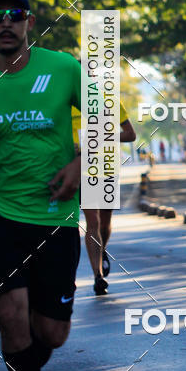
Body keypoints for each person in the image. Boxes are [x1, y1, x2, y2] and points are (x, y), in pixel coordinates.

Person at [0, 0, 82, 371]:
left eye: (14, 14)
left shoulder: (65, 67)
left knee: (51, 334)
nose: (5, 23)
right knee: (10, 319)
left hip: (55, 218)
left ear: (29, 22)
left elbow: (118, 128)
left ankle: (25, 366)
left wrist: (81, 165)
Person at [72, 104, 136, 295]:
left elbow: (130, 135)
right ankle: (98, 277)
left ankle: (102, 250)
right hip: (83, 169)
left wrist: (104, 137)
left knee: (105, 222)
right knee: (93, 220)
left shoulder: (110, 100)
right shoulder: (66, 98)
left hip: (107, 169)